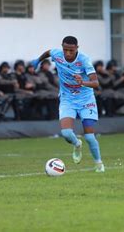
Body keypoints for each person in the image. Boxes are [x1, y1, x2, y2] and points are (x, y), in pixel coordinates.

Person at [31, 36, 105, 172]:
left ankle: (99, 163)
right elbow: (48, 52)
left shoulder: (84, 60)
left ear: (77, 48)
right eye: (65, 50)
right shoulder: (57, 54)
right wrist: (37, 60)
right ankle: (77, 144)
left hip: (86, 100)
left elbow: (96, 83)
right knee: (66, 133)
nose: (68, 53)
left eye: (71, 50)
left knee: (89, 136)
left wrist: (82, 82)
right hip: (67, 99)